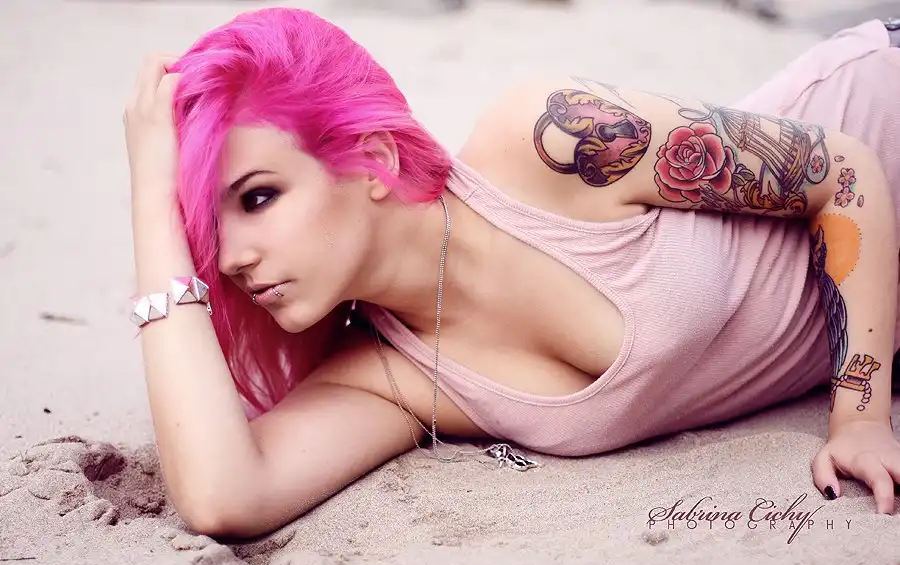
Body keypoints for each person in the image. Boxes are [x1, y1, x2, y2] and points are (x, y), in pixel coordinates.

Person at [124, 8, 900, 538]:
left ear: (372, 158)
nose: (231, 257)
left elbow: (843, 173)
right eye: (209, 227)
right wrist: (152, 207)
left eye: (258, 197)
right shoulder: (390, 378)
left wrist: (859, 419)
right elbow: (227, 496)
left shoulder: (547, 142)